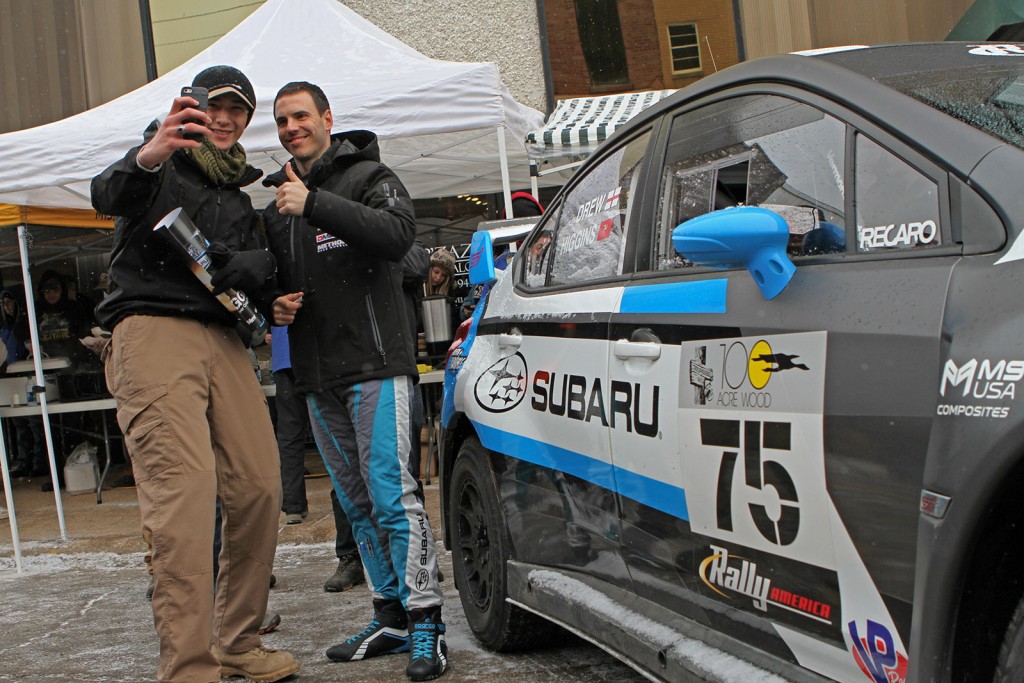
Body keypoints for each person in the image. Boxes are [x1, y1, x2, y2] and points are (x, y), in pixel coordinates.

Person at [90, 64, 298, 683]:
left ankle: (238, 640)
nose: (228, 119)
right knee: (184, 495)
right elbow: (108, 195)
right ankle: (187, 666)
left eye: (240, 110)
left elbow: (227, 280)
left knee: (261, 486)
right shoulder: (159, 165)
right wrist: (147, 156)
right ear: (194, 108)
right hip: (152, 331)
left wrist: (269, 305)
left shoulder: (239, 193)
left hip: (223, 339)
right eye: (218, 107)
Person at [264, 81, 447, 681]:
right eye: (282, 121)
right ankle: (389, 613)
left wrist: (313, 202)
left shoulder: (369, 175)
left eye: (301, 116)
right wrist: (276, 307)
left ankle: (428, 623)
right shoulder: (277, 208)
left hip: (377, 366)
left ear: (326, 119)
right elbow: (273, 286)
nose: (293, 128)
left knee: (394, 497)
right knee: (357, 503)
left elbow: (398, 238)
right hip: (318, 378)